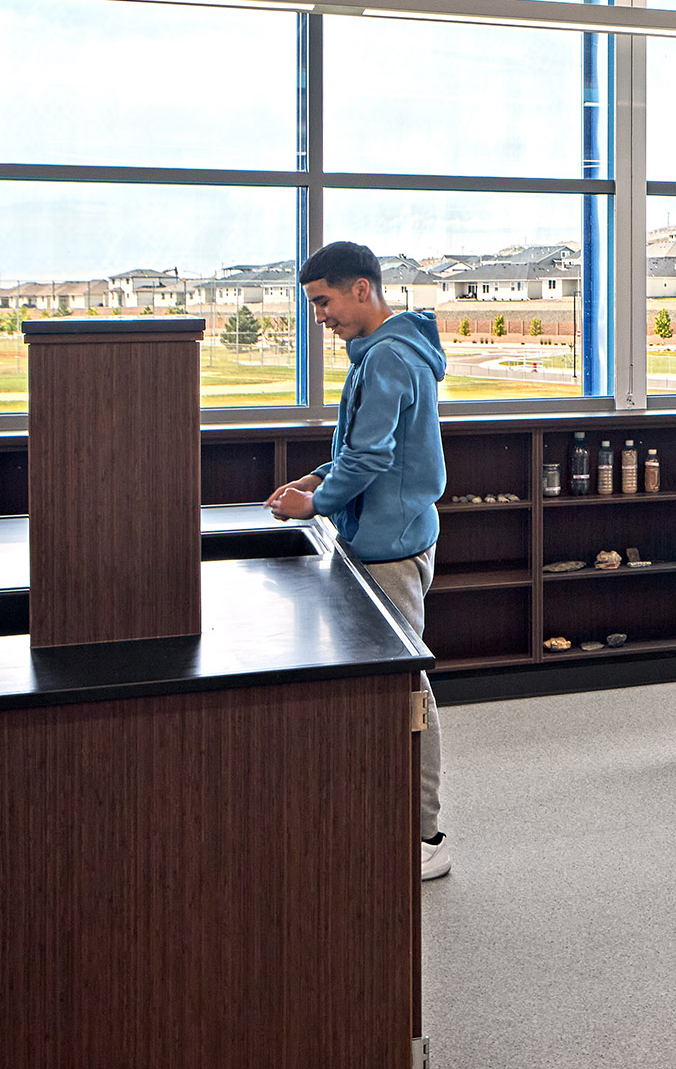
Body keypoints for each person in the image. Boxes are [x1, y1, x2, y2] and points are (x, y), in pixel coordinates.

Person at [265, 242, 453, 881]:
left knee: (406, 693)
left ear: (362, 290)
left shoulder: (389, 359)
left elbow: (373, 459)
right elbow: (361, 448)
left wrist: (313, 503)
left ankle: (425, 836)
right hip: (385, 535)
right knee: (385, 691)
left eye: (323, 301)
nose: (319, 316)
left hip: (389, 547)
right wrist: (316, 478)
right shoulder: (384, 353)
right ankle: (382, 816)